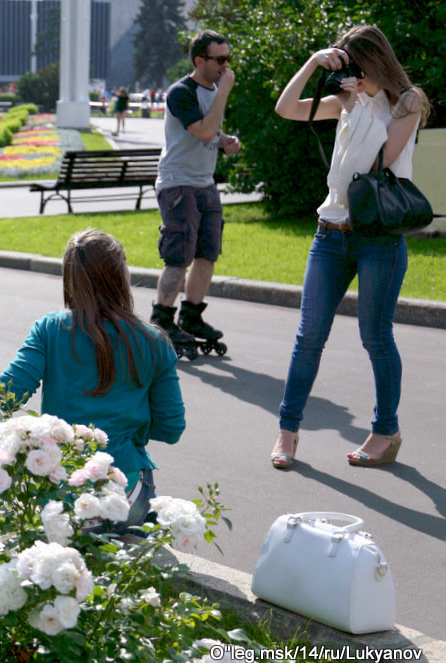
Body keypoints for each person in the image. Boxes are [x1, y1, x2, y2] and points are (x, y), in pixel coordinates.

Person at [268, 25, 429, 469]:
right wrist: (314, 64)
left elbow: (379, 160)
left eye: (357, 63)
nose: (354, 74)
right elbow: (286, 109)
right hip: (329, 232)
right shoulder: (343, 99)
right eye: (346, 64)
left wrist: (356, 103)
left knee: (376, 337)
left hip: (377, 236)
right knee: (308, 338)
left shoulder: (406, 101)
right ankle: (287, 432)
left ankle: (385, 430)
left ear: (376, 60)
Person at [0, 230, 185, 528]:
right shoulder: (154, 341)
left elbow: (6, 396)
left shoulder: (50, 329)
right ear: (120, 276)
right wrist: (133, 427)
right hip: (127, 496)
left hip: (60, 496)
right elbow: (172, 428)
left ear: (70, 278)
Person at [149, 30, 241, 349]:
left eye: (227, 59)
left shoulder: (212, 90)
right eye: (219, 60)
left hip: (205, 184)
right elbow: (202, 130)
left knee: (207, 254)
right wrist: (224, 93)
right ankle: (162, 319)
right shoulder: (181, 92)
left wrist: (225, 140)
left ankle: (191, 315)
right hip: (178, 184)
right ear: (199, 60)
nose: (225, 66)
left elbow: (211, 130)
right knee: (179, 256)